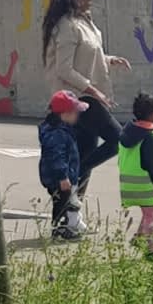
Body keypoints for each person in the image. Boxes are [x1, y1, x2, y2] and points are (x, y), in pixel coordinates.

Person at [42, 0, 131, 195]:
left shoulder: (84, 22)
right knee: (118, 139)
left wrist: (109, 60)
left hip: (87, 96)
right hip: (78, 99)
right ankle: (74, 176)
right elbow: (64, 68)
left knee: (85, 150)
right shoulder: (66, 26)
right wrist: (93, 90)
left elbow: (88, 55)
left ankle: (71, 210)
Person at [117, 92, 153, 252]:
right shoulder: (150, 136)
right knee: (152, 214)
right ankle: (150, 248)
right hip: (145, 184)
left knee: (148, 212)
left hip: (128, 184)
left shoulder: (126, 133)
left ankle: (139, 238)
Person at [39, 90, 88, 240]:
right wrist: (62, 176)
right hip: (59, 178)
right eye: (75, 112)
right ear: (64, 114)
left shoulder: (62, 130)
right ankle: (62, 228)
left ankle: (72, 224)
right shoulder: (57, 134)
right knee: (62, 204)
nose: (77, 116)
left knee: (67, 202)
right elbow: (57, 156)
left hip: (63, 175)